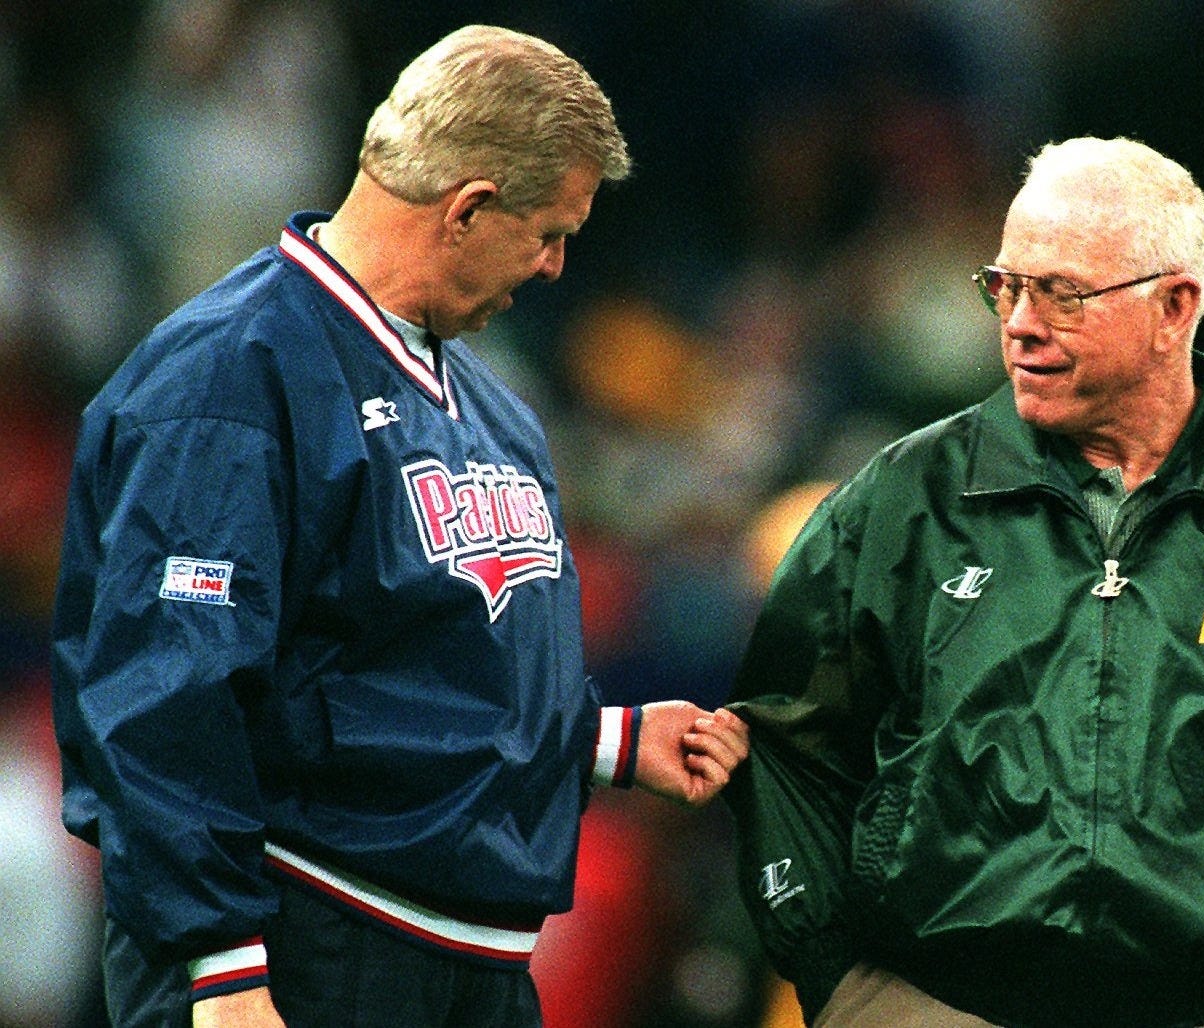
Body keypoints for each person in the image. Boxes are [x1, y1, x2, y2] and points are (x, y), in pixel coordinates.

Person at [51, 25, 748, 1028]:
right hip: (301, 943)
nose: (556, 266)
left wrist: (604, 738)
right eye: (549, 230)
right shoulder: (229, 371)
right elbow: (168, 694)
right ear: (466, 208)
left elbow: (402, 672)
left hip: (470, 965)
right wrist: (218, 962)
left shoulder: (490, 401)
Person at [722, 137, 1204, 1028]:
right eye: (1005, 285)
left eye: (1063, 293)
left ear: (1175, 306)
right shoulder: (896, 505)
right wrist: (850, 990)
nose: (1018, 321)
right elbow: (781, 749)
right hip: (934, 1003)